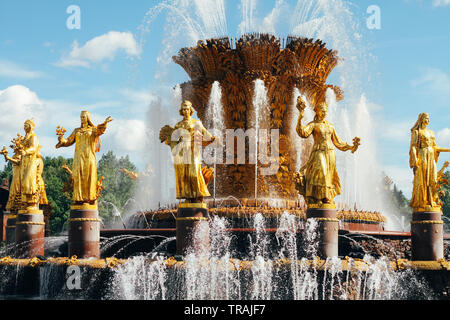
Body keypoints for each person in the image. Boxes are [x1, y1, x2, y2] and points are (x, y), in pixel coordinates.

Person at [295, 97, 360, 206]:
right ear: (317, 111)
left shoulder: (330, 126)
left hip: (330, 153)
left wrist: (352, 147)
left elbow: (338, 142)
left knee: (329, 176)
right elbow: (302, 133)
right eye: (322, 110)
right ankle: (317, 197)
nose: (324, 113)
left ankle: (325, 198)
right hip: (318, 152)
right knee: (322, 174)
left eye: (325, 111)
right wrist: (300, 116)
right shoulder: (313, 124)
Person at [160, 100, 215, 203]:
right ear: (181, 110)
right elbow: (173, 140)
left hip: (194, 150)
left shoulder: (196, 123)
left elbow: (206, 133)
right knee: (184, 175)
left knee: (194, 173)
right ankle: (188, 198)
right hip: (181, 152)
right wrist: (169, 141)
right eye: (183, 109)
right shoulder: (178, 125)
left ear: (191, 110)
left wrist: (212, 138)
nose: (185, 111)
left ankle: (198, 196)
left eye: (187, 109)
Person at [56, 110, 112, 205]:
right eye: (81, 117)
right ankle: (79, 199)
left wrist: (105, 122)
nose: (81, 119)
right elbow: (68, 141)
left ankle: (88, 198)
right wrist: (61, 138)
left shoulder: (93, 130)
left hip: (89, 156)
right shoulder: (76, 131)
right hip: (79, 157)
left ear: (88, 118)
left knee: (89, 176)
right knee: (79, 176)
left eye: (83, 117)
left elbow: (100, 130)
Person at [409, 112, 450, 211]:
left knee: (432, 178)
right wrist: (415, 159)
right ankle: (422, 202)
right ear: (421, 119)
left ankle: (432, 200)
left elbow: (435, 147)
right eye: (427, 118)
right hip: (422, 156)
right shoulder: (417, 132)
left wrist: (447, 149)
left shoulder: (431, 132)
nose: (428, 120)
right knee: (422, 179)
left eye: (429, 118)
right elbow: (414, 146)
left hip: (431, 157)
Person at [20, 119, 40, 210]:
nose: (24, 127)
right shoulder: (25, 137)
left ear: (30, 126)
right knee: (23, 181)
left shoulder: (33, 136)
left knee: (28, 180)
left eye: (26, 125)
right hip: (24, 161)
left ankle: (31, 201)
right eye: (24, 126)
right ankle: (26, 201)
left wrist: (26, 151)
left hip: (31, 160)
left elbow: (34, 148)